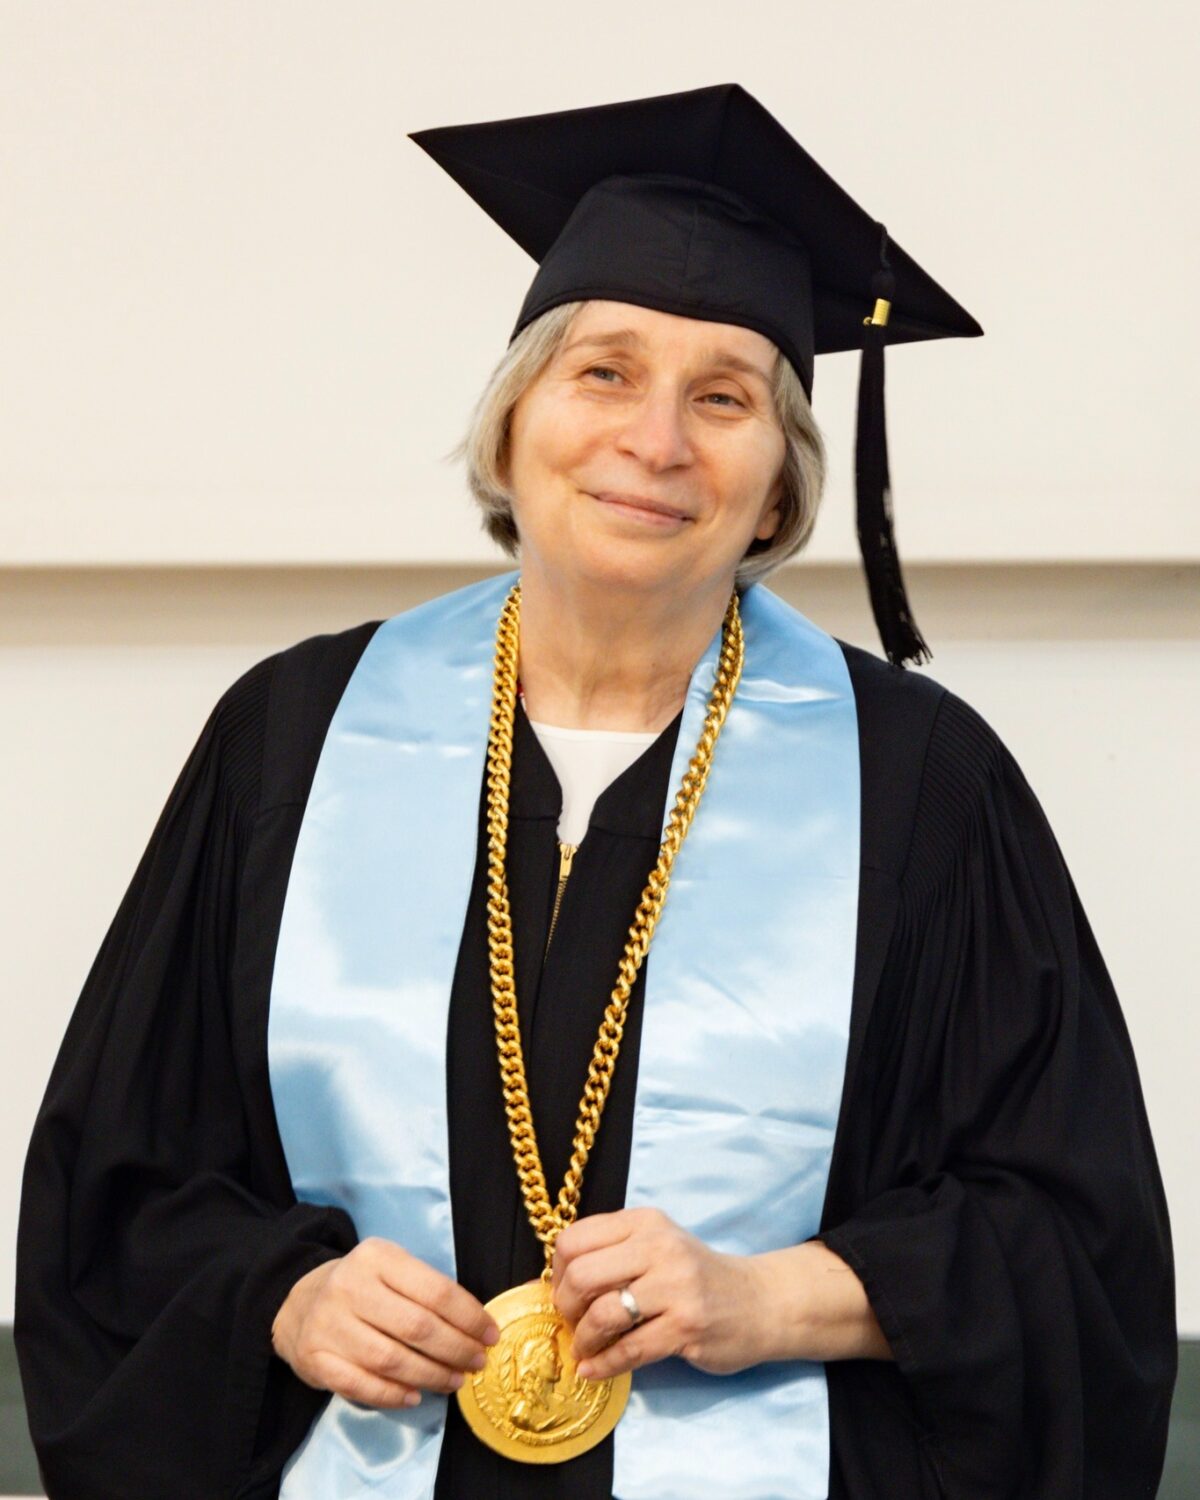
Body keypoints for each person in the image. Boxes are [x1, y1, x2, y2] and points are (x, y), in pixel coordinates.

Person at [15, 84, 1175, 1500]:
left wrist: (774, 1299)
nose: (658, 441)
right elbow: (117, 1192)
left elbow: (1076, 1248)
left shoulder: (924, 784)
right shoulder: (294, 738)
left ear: (779, 490)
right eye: (605, 373)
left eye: (724, 398)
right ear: (512, 429)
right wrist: (285, 1297)